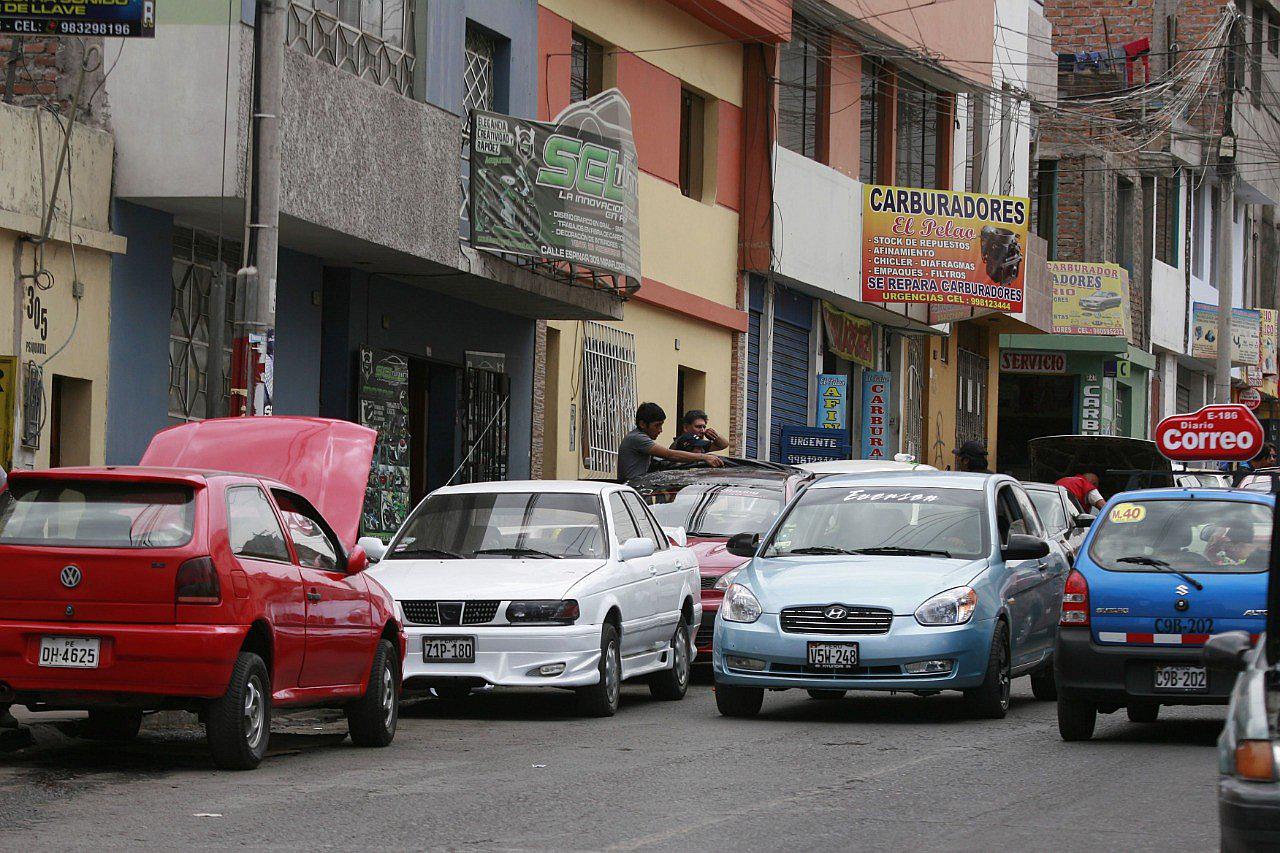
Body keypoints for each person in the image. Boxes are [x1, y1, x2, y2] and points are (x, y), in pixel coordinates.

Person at [617, 402, 725, 483]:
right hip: (631, 487)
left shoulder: (638, 438)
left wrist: (715, 436)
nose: (660, 430)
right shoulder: (637, 438)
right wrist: (704, 457)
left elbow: (724, 444)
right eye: (657, 425)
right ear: (643, 424)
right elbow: (670, 455)